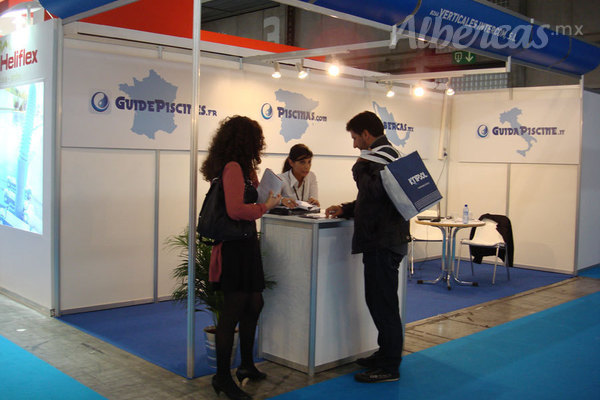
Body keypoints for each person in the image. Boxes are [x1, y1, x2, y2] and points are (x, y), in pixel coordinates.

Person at [325, 111, 410, 383]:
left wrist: (359, 166)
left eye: (354, 138)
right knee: (379, 301)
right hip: (386, 240)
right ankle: (385, 354)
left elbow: (374, 193)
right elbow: (376, 200)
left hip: (382, 243)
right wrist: (347, 208)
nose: (354, 145)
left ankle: (390, 366)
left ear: (365, 134)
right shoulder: (390, 156)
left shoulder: (378, 159)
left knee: (383, 304)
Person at [201, 116, 281, 400]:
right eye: (256, 140)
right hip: (235, 248)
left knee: (254, 303)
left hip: (246, 245)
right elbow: (236, 210)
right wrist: (264, 207)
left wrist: (270, 201)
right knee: (232, 312)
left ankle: (246, 365)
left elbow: (251, 201)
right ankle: (222, 377)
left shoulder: (244, 169)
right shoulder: (233, 168)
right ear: (245, 140)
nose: (260, 145)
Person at [278, 144, 319, 209]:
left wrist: (314, 202)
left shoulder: (311, 176)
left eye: (309, 162)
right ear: (291, 162)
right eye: (302, 162)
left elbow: (314, 201)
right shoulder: (280, 179)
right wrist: (281, 200)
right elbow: (267, 201)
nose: (307, 166)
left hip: (305, 218)